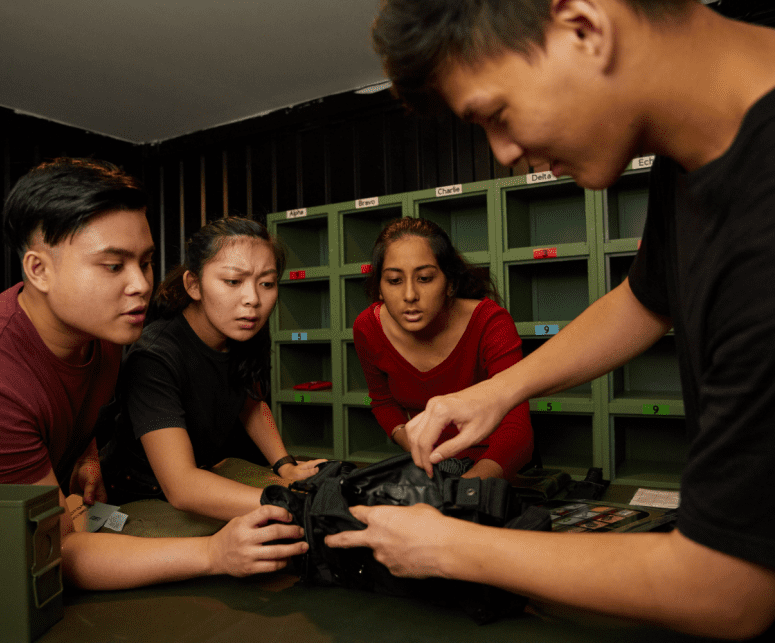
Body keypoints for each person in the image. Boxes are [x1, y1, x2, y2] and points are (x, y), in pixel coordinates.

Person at [326, 0, 775, 638]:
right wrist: (495, 391)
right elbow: (645, 300)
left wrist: (453, 547)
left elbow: (727, 589)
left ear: (583, 25)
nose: (504, 153)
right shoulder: (699, 147)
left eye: (497, 116)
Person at [0, 158, 308, 590]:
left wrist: (86, 455)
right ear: (38, 270)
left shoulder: (103, 335)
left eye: (146, 261)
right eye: (114, 265)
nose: (141, 284)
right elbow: (57, 555)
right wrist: (215, 553)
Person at [107, 216, 325, 521]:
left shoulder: (244, 329)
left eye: (266, 283)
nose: (253, 300)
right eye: (233, 282)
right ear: (193, 285)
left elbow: (249, 399)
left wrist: (284, 464)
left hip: (205, 476)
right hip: (143, 498)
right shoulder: (154, 357)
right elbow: (181, 487)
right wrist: (296, 504)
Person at [353, 217, 532, 480]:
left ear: (449, 283)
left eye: (425, 278)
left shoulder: (491, 323)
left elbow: (517, 429)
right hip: (429, 469)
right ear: (379, 287)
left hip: (494, 467)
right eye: (394, 280)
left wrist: (465, 488)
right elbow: (382, 402)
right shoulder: (367, 328)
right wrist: (419, 450)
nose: (410, 295)